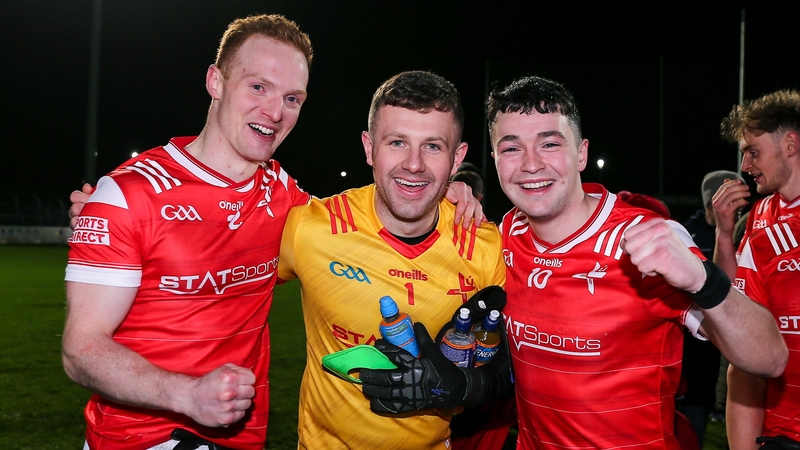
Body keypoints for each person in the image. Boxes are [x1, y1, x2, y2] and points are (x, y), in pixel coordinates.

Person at [484, 75, 787, 449]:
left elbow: (769, 359)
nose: (531, 164)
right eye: (511, 148)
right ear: (495, 158)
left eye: (549, 143)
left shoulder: (644, 239)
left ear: (581, 154)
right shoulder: (505, 232)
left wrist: (701, 278)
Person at [62, 14, 314, 450]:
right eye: (258, 87)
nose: (274, 112)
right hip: (138, 439)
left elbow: (361, 228)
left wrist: (451, 191)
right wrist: (187, 395)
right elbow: (80, 350)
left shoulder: (282, 194)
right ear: (215, 82)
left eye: (292, 98)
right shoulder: (128, 195)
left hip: (240, 438)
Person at [278, 71, 513, 450]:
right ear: (369, 147)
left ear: (458, 159)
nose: (414, 164)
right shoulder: (311, 229)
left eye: (433, 146)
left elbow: (515, 362)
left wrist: (461, 386)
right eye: (397, 142)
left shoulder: (485, 246)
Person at [716, 90, 800, 449]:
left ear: (790, 144)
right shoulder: (761, 219)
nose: (746, 166)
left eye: (753, 151)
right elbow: (744, 351)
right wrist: (723, 232)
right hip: (780, 434)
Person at [680, 170, 744, 443]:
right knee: (690, 406)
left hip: (729, 340)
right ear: (712, 202)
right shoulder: (686, 234)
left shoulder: (742, 231)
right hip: (692, 344)